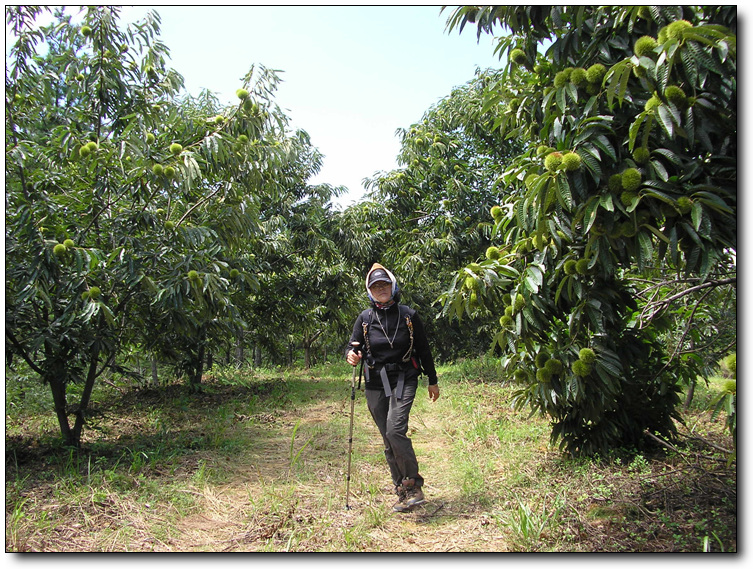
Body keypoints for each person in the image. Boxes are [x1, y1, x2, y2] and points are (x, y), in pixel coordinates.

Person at [346, 263, 440, 513]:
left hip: (404, 377)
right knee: (388, 437)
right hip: (376, 382)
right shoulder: (365, 319)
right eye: (376, 286)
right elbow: (352, 347)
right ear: (369, 290)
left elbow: (424, 348)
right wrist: (352, 355)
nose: (381, 289)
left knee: (395, 429)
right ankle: (401, 488)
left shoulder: (409, 315)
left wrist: (432, 379)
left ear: (393, 286)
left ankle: (413, 485)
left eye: (385, 284)